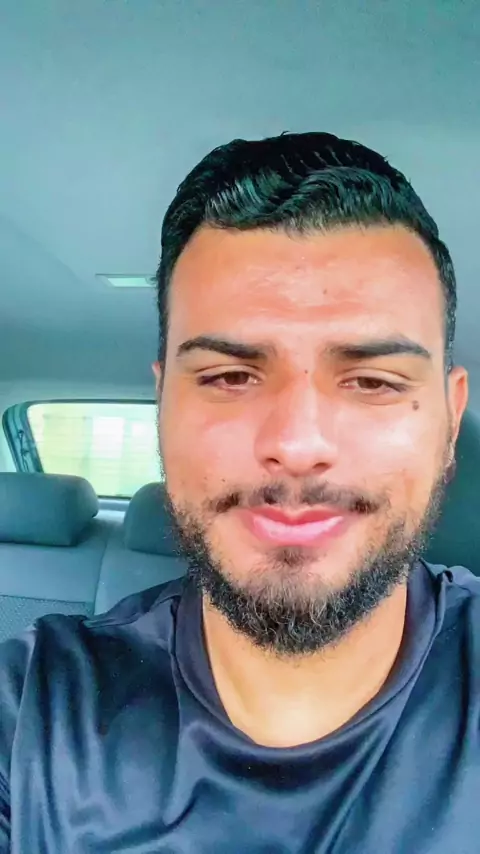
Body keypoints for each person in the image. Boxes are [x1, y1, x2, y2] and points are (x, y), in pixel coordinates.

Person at [0, 131, 477, 853]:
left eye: (373, 381)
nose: (297, 442)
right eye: (229, 376)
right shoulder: (30, 711)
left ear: (450, 419)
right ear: (163, 404)